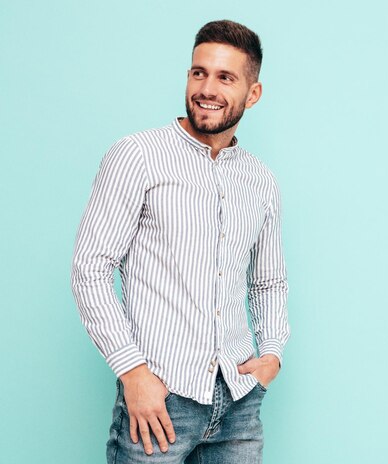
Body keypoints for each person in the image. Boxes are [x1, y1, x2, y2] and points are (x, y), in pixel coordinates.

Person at [71, 19, 289, 464]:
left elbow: (268, 282)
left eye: (225, 77)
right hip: (160, 401)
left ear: (253, 94)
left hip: (239, 405)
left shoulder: (260, 180)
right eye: (198, 72)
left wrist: (271, 355)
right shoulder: (137, 156)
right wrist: (132, 372)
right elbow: (90, 268)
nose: (206, 88)